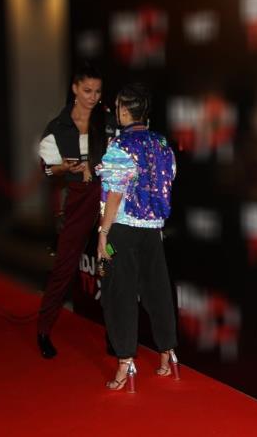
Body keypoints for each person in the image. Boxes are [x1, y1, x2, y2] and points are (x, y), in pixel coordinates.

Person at [96, 83, 179, 392]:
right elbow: (169, 179)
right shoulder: (162, 144)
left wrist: (103, 232)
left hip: (122, 229)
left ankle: (125, 363)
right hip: (153, 230)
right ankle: (168, 354)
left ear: (123, 110)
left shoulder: (120, 146)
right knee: (158, 292)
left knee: (120, 295)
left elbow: (115, 194)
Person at [36, 62, 115, 358]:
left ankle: (115, 335)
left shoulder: (107, 119)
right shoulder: (58, 127)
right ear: (74, 89)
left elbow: (122, 157)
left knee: (109, 266)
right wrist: (63, 168)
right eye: (87, 91)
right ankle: (43, 330)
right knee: (64, 266)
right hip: (78, 199)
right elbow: (46, 170)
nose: (93, 97)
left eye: (97, 91)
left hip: (107, 198)